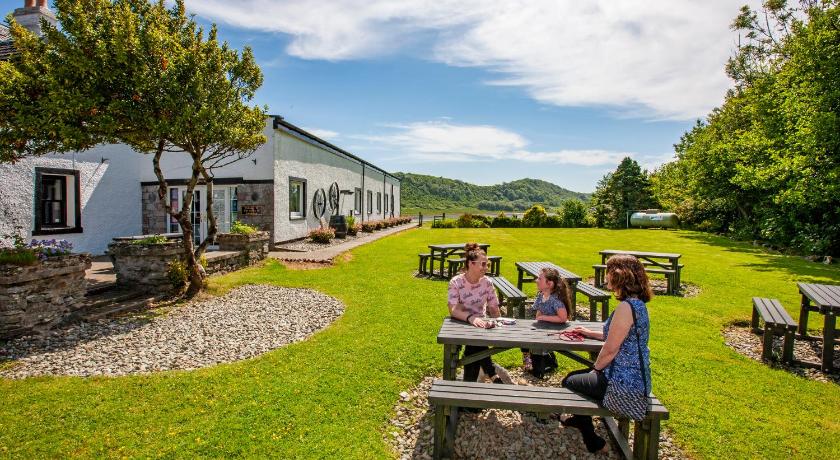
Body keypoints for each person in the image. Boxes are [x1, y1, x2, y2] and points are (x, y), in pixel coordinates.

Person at [561, 254, 653, 453]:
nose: (606, 276)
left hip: (624, 384)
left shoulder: (626, 308)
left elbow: (611, 349)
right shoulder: (637, 304)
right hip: (635, 379)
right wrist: (587, 333)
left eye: (609, 272)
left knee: (569, 381)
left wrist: (596, 370)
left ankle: (591, 438)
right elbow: (613, 335)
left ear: (620, 276)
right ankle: (581, 421)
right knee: (576, 378)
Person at [447, 242, 509, 384]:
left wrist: (499, 323)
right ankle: (492, 373)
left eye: (487, 264)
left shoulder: (487, 282)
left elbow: (493, 308)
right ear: (470, 264)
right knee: (475, 345)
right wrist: (470, 318)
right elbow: (453, 309)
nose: (486, 268)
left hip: (480, 324)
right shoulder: (456, 282)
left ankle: (469, 391)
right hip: (460, 322)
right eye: (482, 264)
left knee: (473, 349)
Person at [521, 268, 570, 377]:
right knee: (524, 338)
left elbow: (563, 318)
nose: (536, 280)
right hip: (543, 329)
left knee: (537, 367)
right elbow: (538, 312)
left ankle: (543, 362)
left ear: (549, 283)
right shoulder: (541, 295)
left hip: (554, 332)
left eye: (539, 278)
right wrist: (539, 318)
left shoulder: (555, 299)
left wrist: (544, 318)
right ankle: (528, 359)